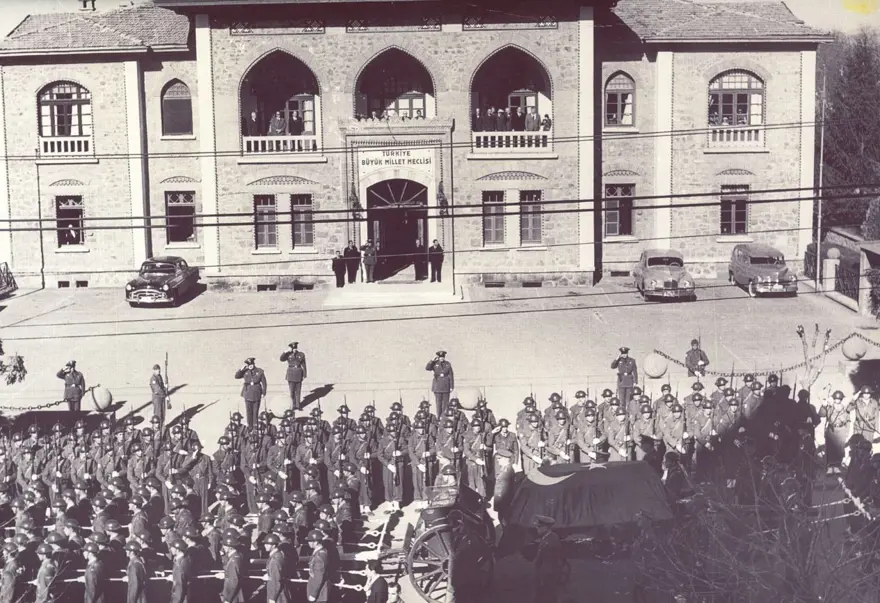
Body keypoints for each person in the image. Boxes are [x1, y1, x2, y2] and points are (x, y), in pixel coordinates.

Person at [531, 515, 564, 603]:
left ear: (546, 527)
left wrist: (543, 579)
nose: (537, 529)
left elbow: (551, 562)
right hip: (546, 577)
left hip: (547, 578)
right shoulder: (547, 537)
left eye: (539, 527)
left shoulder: (550, 541)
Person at [234, 358, 267, 428]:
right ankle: (250, 427)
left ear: (254, 364)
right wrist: (241, 369)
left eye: (251, 364)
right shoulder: (245, 371)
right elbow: (236, 376)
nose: (250, 366)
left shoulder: (259, 371)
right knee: (249, 412)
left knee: (255, 411)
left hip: (256, 393)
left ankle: (255, 426)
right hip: (247, 393)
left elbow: (264, 383)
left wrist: (263, 393)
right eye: (249, 365)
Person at [426, 351, 454, 419]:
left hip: (446, 386)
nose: (442, 358)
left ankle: (444, 417)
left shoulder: (447, 364)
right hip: (437, 386)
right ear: (438, 357)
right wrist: (432, 361)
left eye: (443, 357)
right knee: (438, 403)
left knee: (445, 403)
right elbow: (427, 368)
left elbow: (451, 375)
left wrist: (451, 386)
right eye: (440, 357)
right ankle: (439, 417)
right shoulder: (435, 364)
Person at [280, 343, 307, 412]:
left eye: (295, 348)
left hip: (298, 373)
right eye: (293, 348)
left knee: (298, 391)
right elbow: (281, 359)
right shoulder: (288, 354)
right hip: (291, 374)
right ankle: (292, 405)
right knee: (291, 391)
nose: (294, 350)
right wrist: (285, 352)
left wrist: (304, 374)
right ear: (291, 349)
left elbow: (304, 364)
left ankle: (298, 406)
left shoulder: (301, 354)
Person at [306, 529, 329, 603]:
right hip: (319, 591)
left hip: (319, 593)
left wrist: (313, 594)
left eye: (310, 541)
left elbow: (319, 577)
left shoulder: (319, 556)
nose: (308, 543)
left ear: (316, 542)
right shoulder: (321, 552)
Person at [150, 364, 170, 431]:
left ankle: (161, 428)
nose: (158, 371)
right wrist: (165, 395)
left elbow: (162, 386)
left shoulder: (159, 376)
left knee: (163, 414)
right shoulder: (153, 379)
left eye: (159, 369)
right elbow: (158, 390)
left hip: (161, 398)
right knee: (158, 414)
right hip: (157, 399)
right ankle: (156, 429)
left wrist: (165, 387)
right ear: (154, 370)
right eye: (156, 370)